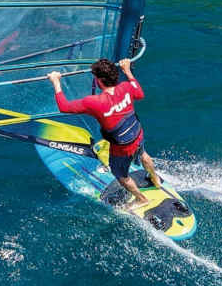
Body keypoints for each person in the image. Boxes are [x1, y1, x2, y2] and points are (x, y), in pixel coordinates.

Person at [49, 58, 161, 208]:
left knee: (121, 176)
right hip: (137, 133)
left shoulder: (94, 102)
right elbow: (140, 94)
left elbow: (64, 107)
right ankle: (155, 179)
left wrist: (56, 82)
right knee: (143, 154)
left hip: (122, 148)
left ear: (100, 81)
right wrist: (128, 71)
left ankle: (141, 199)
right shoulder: (126, 87)